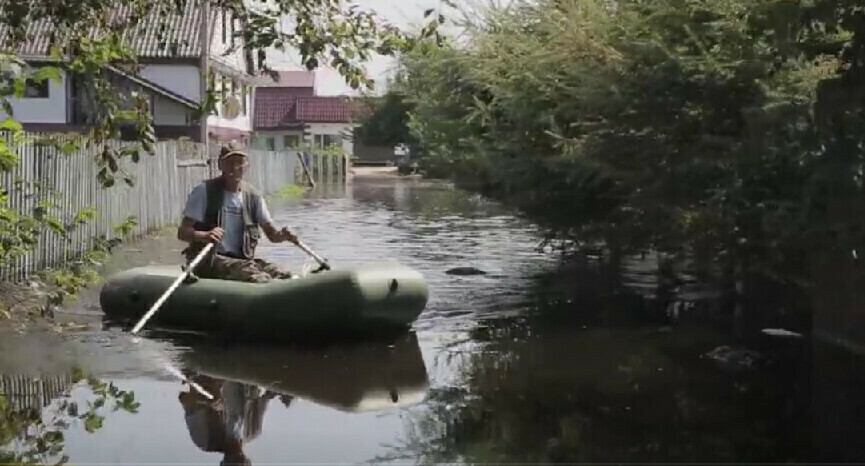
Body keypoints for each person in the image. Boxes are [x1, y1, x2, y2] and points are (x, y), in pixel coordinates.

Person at [178, 144, 297, 283]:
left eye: (239, 163)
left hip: (243, 260)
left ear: (246, 166)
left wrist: (284, 235)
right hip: (210, 260)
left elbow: (272, 235)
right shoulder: (203, 192)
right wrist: (205, 235)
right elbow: (182, 232)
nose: (235, 168)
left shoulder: (254, 197)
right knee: (256, 275)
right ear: (220, 165)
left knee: (281, 273)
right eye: (229, 163)